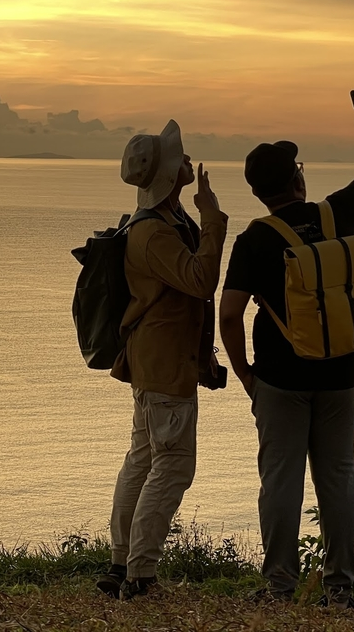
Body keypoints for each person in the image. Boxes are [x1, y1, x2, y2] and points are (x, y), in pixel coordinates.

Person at [218, 88, 354, 607]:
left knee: (281, 481)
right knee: (338, 477)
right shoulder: (333, 215)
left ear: (258, 191)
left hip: (279, 378)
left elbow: (228, 313)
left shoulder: (254, 239)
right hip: (343, 372)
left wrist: (247, 374)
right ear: (296, 178)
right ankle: (341, 588)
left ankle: (278, 586)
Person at [96, 119, 228, 601]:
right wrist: (213, 217)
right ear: (171, 176)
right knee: (172, 465)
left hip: (157, 361)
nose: (188, 161)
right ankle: (140, 572)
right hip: (162, 366)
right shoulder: (154, 233)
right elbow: (199, 280)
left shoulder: (160, 221)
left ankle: (121, 563)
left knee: (144, 458)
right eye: (181, 159)